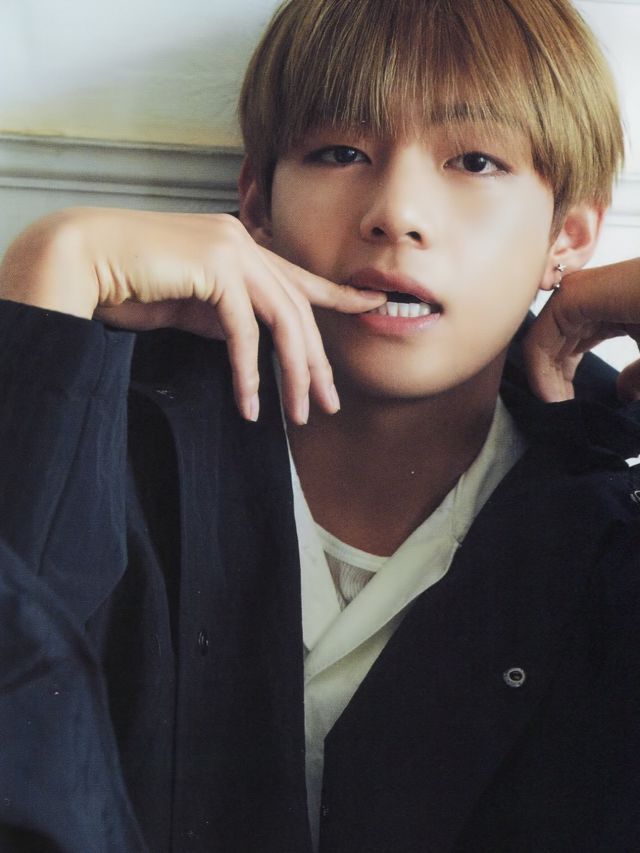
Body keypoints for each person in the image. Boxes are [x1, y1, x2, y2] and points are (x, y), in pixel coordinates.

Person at [0, 0, 639, 851]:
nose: (396, 213)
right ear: (257, 204)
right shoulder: (115, 437)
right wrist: (50, 269)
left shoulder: (607, 519)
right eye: (341, 152)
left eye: (476, 160)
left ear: (570, 234)